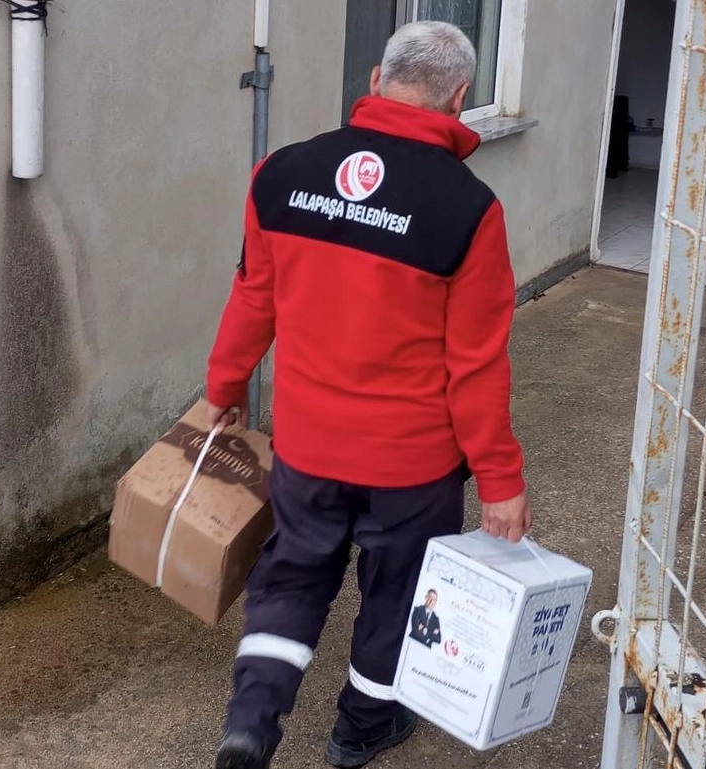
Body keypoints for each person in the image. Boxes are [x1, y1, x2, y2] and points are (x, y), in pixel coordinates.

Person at [204, 20, 532, 769]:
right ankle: (361, 729)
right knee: (398, 596)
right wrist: (501, 480)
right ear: (459, 97)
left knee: (291, 578)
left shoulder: (281, 175)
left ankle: (250, 723)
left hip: (308, 449)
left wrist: (224, 385)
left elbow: (253, 296)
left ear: (378, 81)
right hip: (411, 468)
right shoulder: (469, 209)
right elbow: (477, 364)